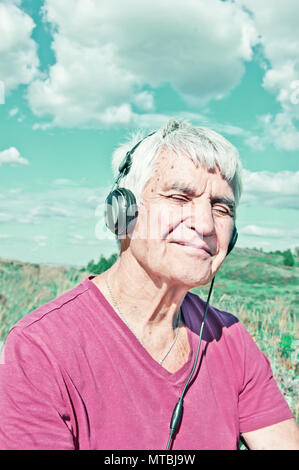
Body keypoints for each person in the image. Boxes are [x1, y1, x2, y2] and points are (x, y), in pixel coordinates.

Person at [0, 119, 298, 450]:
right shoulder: (41, 347)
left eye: (221, 207)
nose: (205, 224)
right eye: (179, 197)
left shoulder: (230, 338)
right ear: (123, 213)